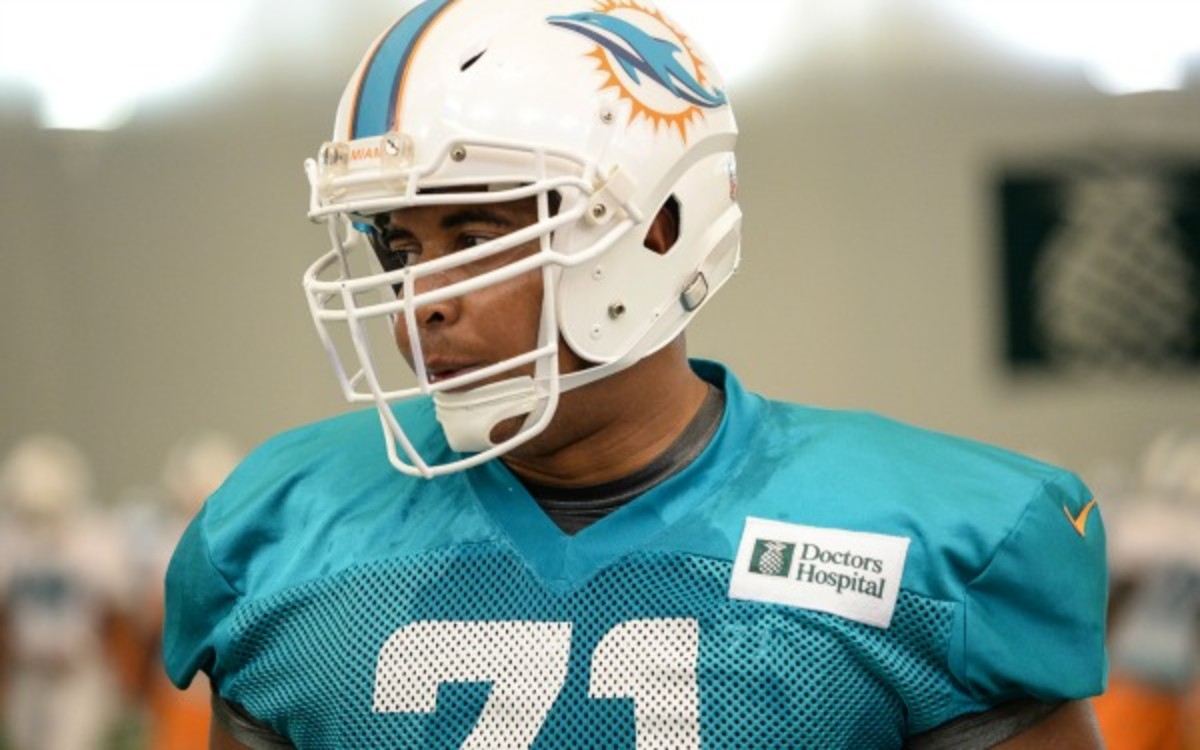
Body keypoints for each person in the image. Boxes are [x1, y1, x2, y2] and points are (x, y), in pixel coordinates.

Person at [162, 0, 1109, 747]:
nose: (421, 298)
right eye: (399, 246)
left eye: (478, 237)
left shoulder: (933, 549)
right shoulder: (281, 533)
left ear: (659, 228)